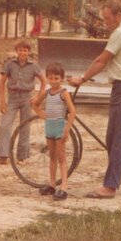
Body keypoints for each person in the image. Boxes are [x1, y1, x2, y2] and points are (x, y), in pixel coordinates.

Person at [69, 0, 121, 198]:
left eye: (107, 18)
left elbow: (102, 60)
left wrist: (82, 78)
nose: (105, 22)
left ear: (119, 16)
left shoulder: (120, 33)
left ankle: (110, 186)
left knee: (117, 137)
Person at [0, 39, 47, 165]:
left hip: (26, 99)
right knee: (5, 125)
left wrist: (37, 98)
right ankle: (3, 155)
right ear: (16, 51)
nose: (22, 53)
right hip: (12, 98)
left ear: (28, 51)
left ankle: (22, 156)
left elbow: (44, 81)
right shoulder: (10, 64)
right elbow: (2, 82)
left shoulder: (33, 66)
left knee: (25, 127)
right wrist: (2, 101)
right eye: (20, 50)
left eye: (25, 50)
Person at [33, 62, 76, 200]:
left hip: (59, 127)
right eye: (51, 78)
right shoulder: (47, 93)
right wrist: (43, 115)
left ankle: (63, 186)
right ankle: (52, 184)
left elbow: (73, 112)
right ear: (47, 78)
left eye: (56, 78)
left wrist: (67, 129)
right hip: (49, 126)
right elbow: (35, 104)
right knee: (51, 157)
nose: (53, 81)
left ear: (61, 79)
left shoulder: (63, 93)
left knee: (61, 157)